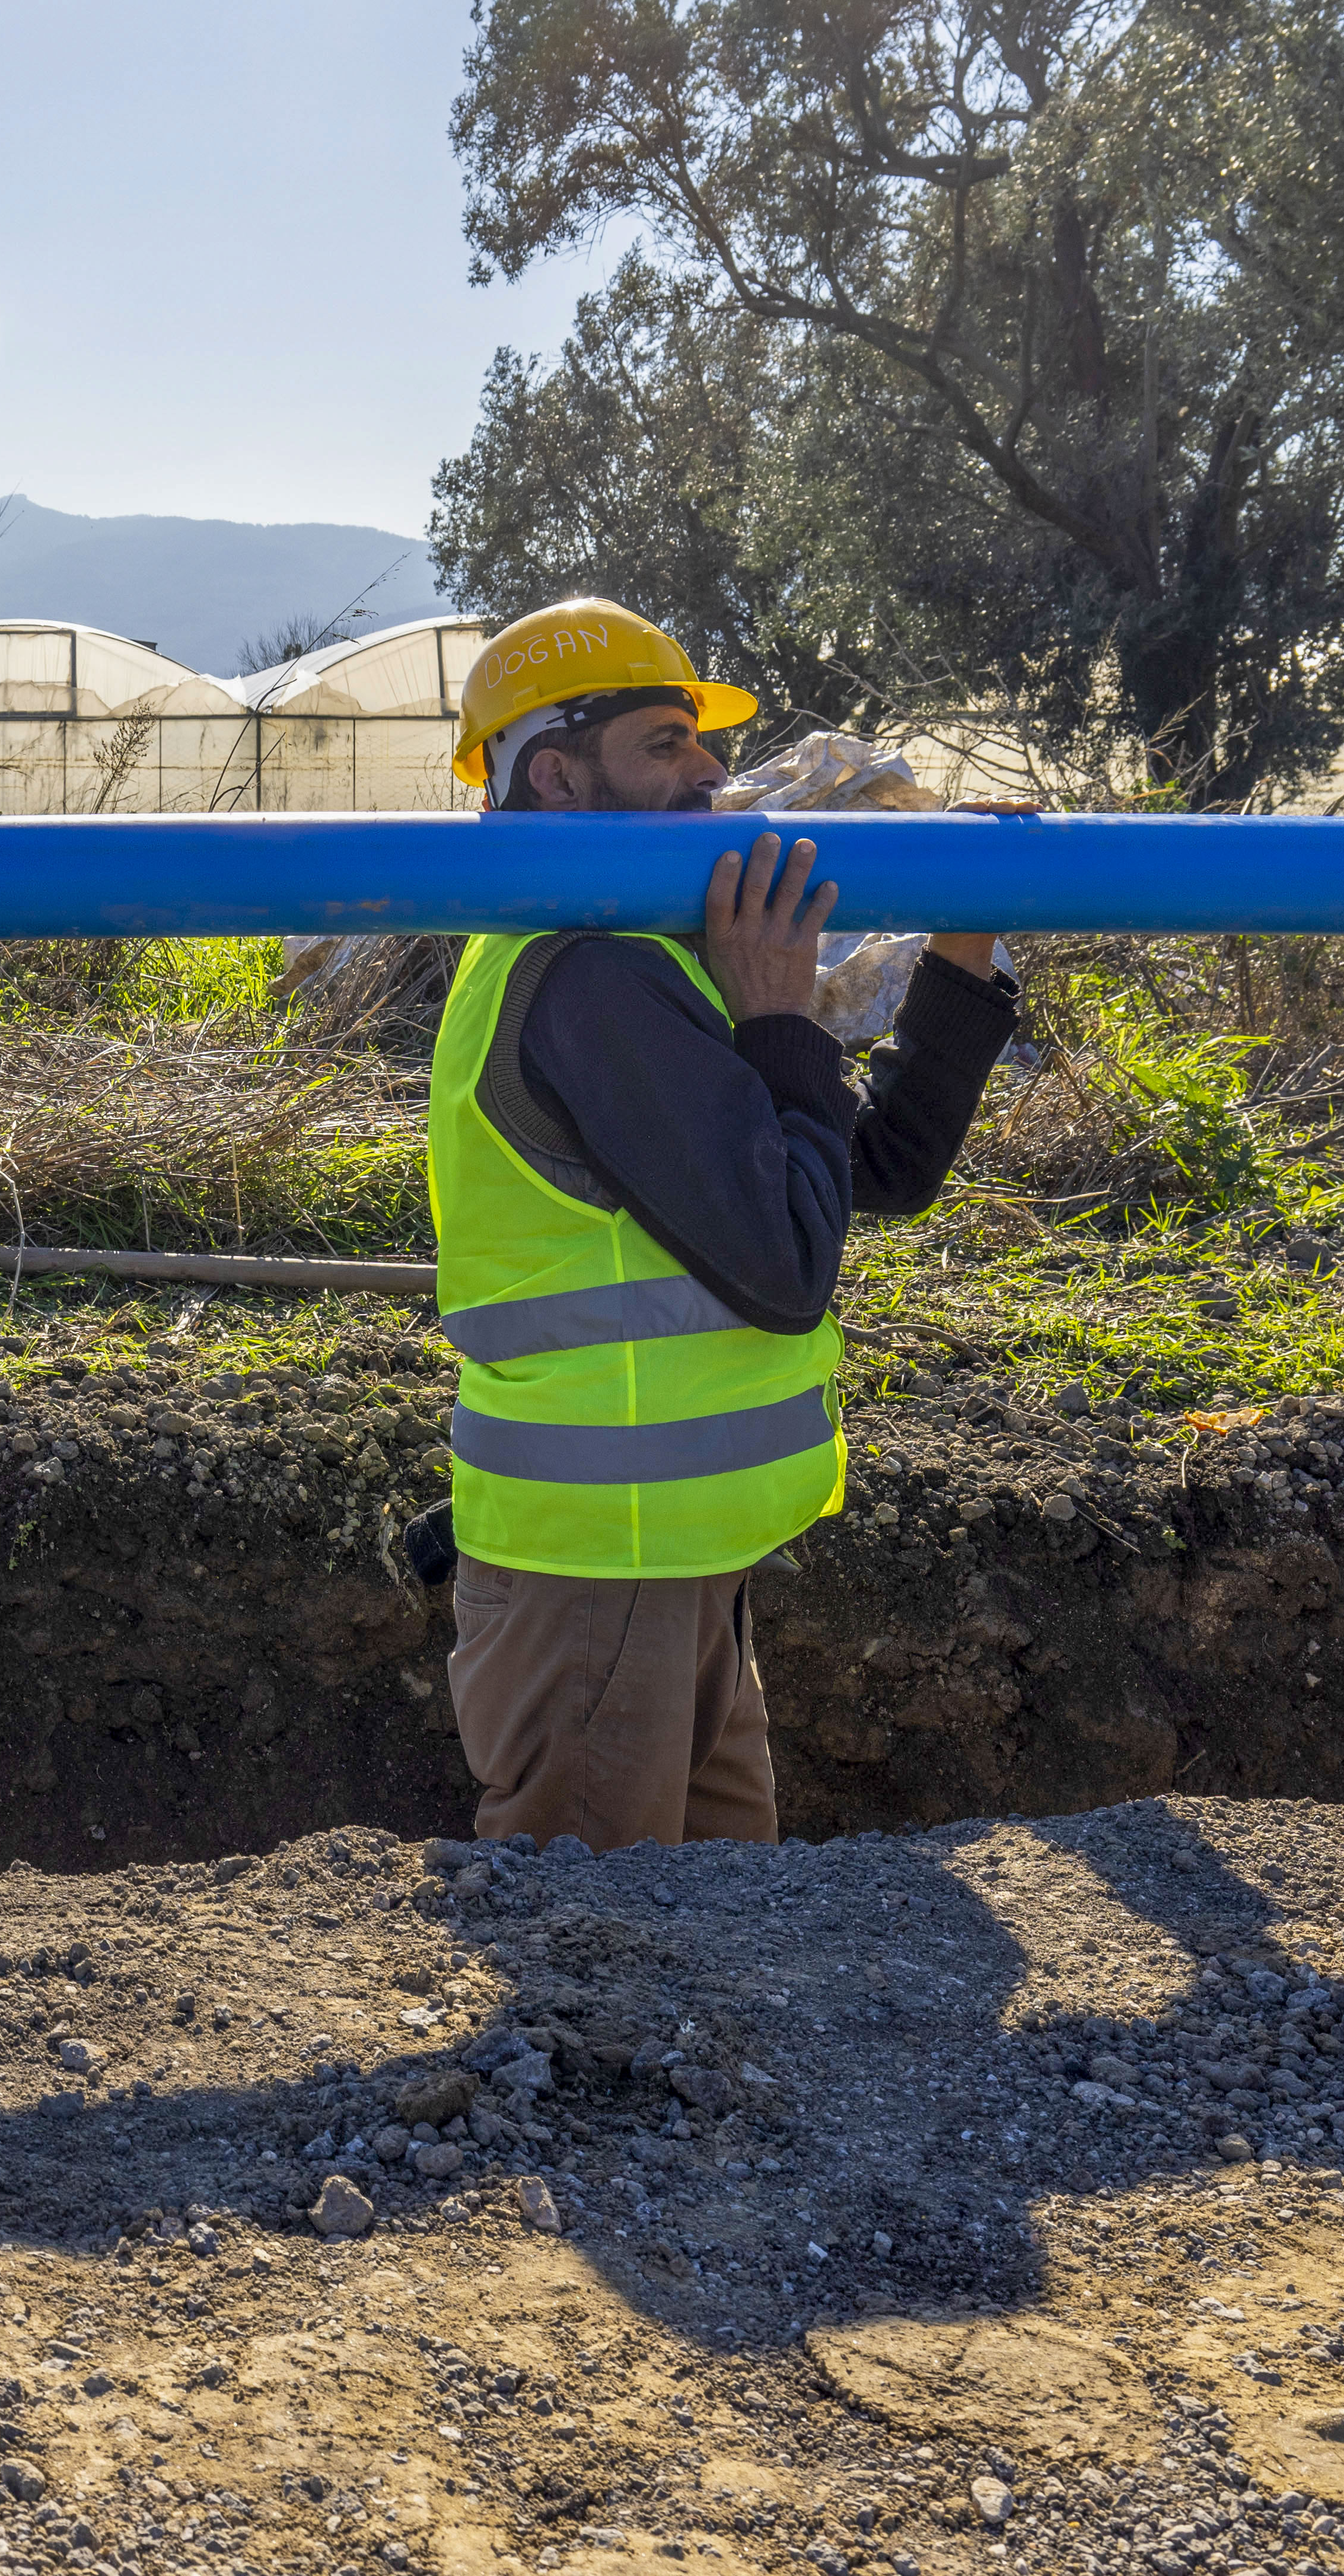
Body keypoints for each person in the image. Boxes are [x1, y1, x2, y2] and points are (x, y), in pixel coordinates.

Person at [426, 599, 1026, 1852]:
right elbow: (786, 1263)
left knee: (724, 1957)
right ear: (555, 772)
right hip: (597, 1574)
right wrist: (777, 1017)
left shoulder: (648, 955)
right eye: (663, 744)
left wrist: (963, 950)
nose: (712, 775)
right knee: (599, 1982)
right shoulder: (583, 974)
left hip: (674, 1555)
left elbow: (878, 1170)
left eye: (704, 742)